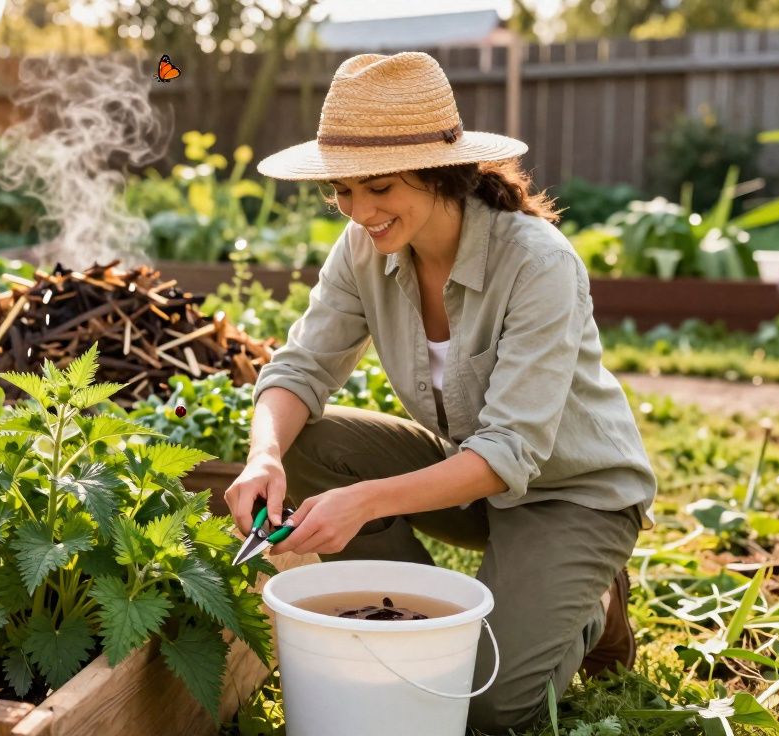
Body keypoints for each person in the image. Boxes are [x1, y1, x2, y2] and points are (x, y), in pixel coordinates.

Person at [222, 51, 658, 733]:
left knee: (484, 704)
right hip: (470, 481)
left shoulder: (537, 264)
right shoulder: (364, 246)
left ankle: (595, 603)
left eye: (381, 188)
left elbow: (512, 451)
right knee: (308, 442)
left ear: (441, 174)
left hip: (572, 494)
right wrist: (264, 458)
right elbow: (301, 367)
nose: (359, 211)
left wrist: (364, 500)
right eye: (341, 189)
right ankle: (408, 623)